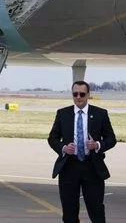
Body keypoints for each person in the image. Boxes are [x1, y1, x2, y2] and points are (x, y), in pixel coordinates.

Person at [48, 80, 117, 223]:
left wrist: (97, 145)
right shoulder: (63, 114)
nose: (78, 97)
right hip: (69, 167)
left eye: (82, 94)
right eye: (75, 94)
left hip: (92, 167)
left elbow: (111, 139)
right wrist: (63, 148)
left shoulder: (100, 114)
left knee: (96, 208)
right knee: (69, 211)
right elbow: (52, 138)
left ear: (88, 95)